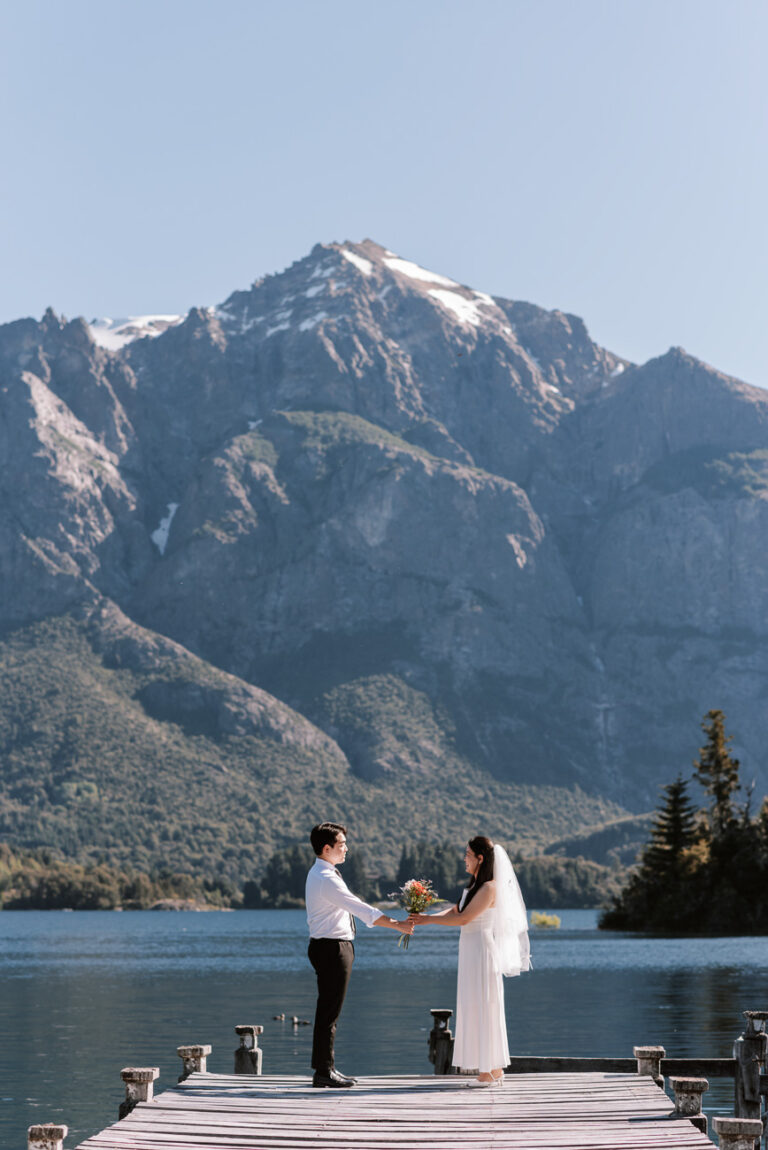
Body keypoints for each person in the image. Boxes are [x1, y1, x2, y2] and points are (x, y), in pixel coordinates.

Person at [409, 835, 530, 1085]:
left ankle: (486, 1072)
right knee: (475, 1004)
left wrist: (430, 920)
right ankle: (494, 1070)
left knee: (484, 1005)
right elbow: (456, 911)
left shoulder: (489, 888)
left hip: (482, 953)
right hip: (470, 951)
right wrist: (425, 917)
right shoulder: (474, 885)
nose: (464, 858)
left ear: (480, 858)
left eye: (467, 854)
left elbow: (464, 919)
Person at [306, 821, 413, 1088]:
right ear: (327, 847)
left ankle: (325, 1068)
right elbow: (362, 909)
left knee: (328, 1010)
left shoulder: (323, 873)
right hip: (332, 948)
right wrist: (398, 924)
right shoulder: (326, 878)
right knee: (329, 1012)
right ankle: (324, 1071)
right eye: (342, 845)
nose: (346, 849)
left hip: (329, 946)